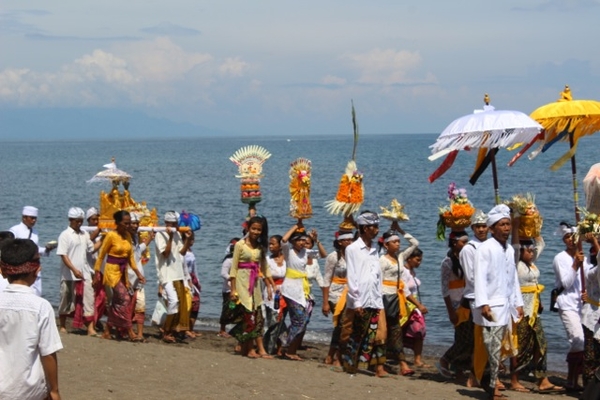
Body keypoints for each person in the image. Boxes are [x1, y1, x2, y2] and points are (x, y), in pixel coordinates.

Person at [0, 239, 63, 400]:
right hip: (29, 390)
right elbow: (48, 353)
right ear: (37, 270)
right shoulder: (41, 306)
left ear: (3, 271)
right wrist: (54, 389)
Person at [473, 204, 524, 400]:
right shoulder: (485, 248)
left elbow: (512, 279)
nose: (506, 228)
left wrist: (518, 302)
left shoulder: (509, 249)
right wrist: (483, 303)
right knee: (491, 349)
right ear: (492, 228)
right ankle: (492, 388)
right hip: (490, 307)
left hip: (506, 306)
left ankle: (492, 384)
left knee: (499, 350)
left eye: (508, 224)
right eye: (502, 225)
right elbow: (479, 278)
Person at [509, 222, 564, 393]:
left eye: (532, 251)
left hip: (534, 310)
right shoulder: (515, 264)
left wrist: (534, 225)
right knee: (521, 346)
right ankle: (514, 380)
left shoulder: (531, 263)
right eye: (529, 250)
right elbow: (516, 246)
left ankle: (542, 379)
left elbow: (541, 244)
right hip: (520, 309)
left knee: (541, 343)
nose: (532, 253)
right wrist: (516, 224)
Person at [341, 210, 388, 377]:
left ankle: (369, 365)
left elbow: (377, 275)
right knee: (357, 332)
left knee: (374, 333)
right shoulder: (353, 249)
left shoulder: (375, 249)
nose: (376, 230)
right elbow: (352, 275)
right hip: (360, 298)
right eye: (373, 227)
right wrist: (356, 301)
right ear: (365, 228)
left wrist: (379, 297)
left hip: (374, 297)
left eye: (376, 226)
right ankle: (349, 364)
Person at [94, 210, 146, 341]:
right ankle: (129, 330)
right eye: (125, 223)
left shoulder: (128, 236)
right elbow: (100, 256)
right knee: (125, 299)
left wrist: (139, 274)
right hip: (111, 272)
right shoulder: (111, 236)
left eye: (129, 223)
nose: (128, 226)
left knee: (118, 302)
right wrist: (96, 274)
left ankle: (107, 331)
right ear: (117, 223)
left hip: (123, 272)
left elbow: (131, 259)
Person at [229, 216, 274, 358]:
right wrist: (233, 289)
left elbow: (265, 268)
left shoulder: (260, 247)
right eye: (253, 228)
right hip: (242, 283)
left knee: (255, 315)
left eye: (259, 230)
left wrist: (272, 285)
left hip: (255, 285)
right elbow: (234, 268)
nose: (256, 232)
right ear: (248, 228)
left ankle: (248, 348)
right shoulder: (240, 245)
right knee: (247, 316)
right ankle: (248, 349)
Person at [553, 222, 590, 391]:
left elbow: (589, 279)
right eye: (567, 237)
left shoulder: (586, 258)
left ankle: (577, 379)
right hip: (567, 303)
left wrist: (588, 294)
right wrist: (575, 265)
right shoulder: (560, 258)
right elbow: (566, 283)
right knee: (577, 340)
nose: (570, 240)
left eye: (573, 237)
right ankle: (570, 379)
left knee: (584, 342)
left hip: (583, 304)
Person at [56, 207, 101, 336]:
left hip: (85, 272)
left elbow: (91, 249)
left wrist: (103, 239)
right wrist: (74, 270)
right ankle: (63, 325)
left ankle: (90, 328)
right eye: (77, 221)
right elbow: (63, 255)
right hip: (69, 273)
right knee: (66, 298)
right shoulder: (65, 235)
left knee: (88, 298)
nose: (79, 223)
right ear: (71, 220)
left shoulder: (84, 234)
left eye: (81, 221)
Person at [379, 224, 416, 376]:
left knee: (395, 329)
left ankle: (402, 363)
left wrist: (400, 229)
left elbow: (415, 243)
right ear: (386, 245)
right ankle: (382, 362)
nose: (398, 244)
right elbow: (378, 280)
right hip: (384, 296)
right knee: (384, 330)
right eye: (394, 242)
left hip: (396, 295)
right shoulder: (382, 260)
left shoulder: (400, 257)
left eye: (399, 242)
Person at [279, 221, 317, 360]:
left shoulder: (306, 252)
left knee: (302, 319)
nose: (302, 243)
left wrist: (315, 240)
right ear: (294, 241)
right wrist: (297, 225)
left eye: (304, 240)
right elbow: (283, 240)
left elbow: (321, 255)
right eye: (300, 240)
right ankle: (286, 345)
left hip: (302, 288)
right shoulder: (288, 252)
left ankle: (286, 344)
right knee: (299, 319)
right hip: (290, 288)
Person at [154, 211, 193, 343]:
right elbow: (165, 253)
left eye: (177, 224)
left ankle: (170, 329)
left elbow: (182, 252)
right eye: (173, 224)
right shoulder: (160, 234)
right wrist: (170, 237)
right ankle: (166, 330)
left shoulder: (177, 233)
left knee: (179, 303)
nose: (176, 226)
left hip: (177, 273)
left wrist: (187, 238)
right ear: (167, 223)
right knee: (173, 301)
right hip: (166, 274)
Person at [439, 230, 471, 380]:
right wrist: (450, 310)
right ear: (454, 243)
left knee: (468, 335)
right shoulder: (447, 262)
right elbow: (445, 288)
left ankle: (459, 368)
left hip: (468, 300)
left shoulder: (467, 258)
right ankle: (445, 359)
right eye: (462, 242)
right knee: (463, 337)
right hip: (456, 302)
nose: (465, 245)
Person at [9, 206, 56, 296]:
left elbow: (35, 249)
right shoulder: (15, 230)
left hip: (34, 266)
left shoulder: (35, 232)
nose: (34, 221)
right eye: (32, 218)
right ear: (24, 218)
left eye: (35, 218)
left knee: (36, 293)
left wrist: (46, 249)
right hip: (22, 267)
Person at [322, 231, 353, 367]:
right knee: (341, 323)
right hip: (335, 293)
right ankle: (336, 356)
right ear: (340, 242)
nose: (350, 242)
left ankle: (334, 353)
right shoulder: (333, 257)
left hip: (349, 293)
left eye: (352, 240)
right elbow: (326, 279)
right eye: (347, 240)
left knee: (345, 325)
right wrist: (325, 302)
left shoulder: (354, 256)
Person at [401, 247, 429, 368]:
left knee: (419, 332)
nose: (419, 262)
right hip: (407, 306)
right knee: (416, 329)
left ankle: (417, 359)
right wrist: (418, 305)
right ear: (409, 258)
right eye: (417, 260)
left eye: (421, 260)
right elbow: (404, 291)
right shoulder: (403, 271)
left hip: (414, 306)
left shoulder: (412, 272)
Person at [127, 213, 154, 341]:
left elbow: (137, 252)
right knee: (127, 307)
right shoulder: (124, 239)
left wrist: (149, 239)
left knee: (140, 306)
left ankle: (140, 333)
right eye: (132, 223)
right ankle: (130, 332)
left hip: (139, 279)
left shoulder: (135, 238)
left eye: (137, 223)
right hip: (128, 277)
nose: (135, 226)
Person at [582, 233, 600, 386]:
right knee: (591, 354)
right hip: (592, 315)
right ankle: (589, 388)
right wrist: (594, 242)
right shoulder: (590, 270)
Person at [263, 235, 286, 329]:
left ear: (280, 246)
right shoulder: (267, 260)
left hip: (284, 290)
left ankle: (279, 342)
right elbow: (264, 275)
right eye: (269, 244)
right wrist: (269, 286)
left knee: (281, 317)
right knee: (273, 317)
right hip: (271, 289)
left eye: (273, 244)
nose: (270, 246)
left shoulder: (287, 259)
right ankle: (270, 341)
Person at [218, 238, 239, 338]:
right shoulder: (228, 260)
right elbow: (223, 273)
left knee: (237, 309)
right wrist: (231, 279)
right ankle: (222, 329)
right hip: (228, 289)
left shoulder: (241, 261)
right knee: (227, 309)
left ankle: (236, 328)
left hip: (239, 289)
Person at [184, 233, 202, 338]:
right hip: (187, 279)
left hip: (193, 278)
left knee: (196, 305)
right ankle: (186, 328)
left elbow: (195, 267)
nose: (192, 241)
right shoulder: (183, 251)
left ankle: (191, 328)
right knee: (189, 304)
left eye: (193, 239)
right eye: (190, 239)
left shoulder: (191, 251)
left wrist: (198, 281)